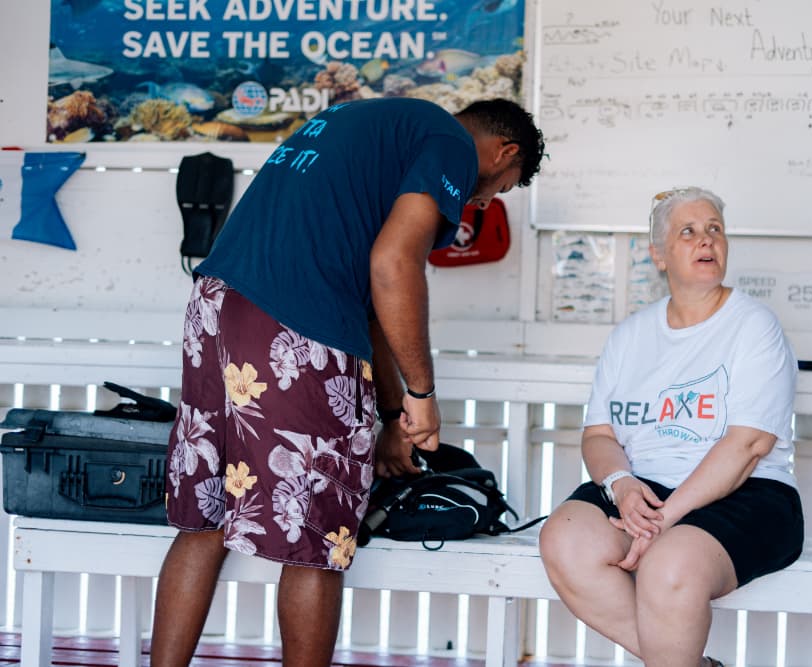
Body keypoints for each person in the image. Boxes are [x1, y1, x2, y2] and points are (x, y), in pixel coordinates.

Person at [150, 97, 545, 666]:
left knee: (203, 521)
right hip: (292, 329)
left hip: (217, 307)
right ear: (504, 152)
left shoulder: (369, 126)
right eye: (500, 188)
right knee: (316, 543)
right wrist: (423, 396)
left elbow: (370, 303)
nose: (482, 202)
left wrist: (392, 416)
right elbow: (393, 266)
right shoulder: (451, 146)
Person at [539, 187, 803, 667]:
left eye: (714, 230)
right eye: (689, 232)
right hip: (648, 488)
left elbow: (748, 445)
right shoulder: (630, 336)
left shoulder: (753, 325)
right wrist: (622, 486)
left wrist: (662, 519)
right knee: (566, 538)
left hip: (748, 492)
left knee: (668, 565)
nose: (706, 241)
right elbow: (599, 435)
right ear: (658, 255)